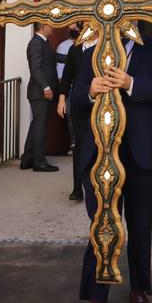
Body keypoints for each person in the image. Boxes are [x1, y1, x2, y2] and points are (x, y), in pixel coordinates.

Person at [72, 33, 152, 303]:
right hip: (100, 153)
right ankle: (97, 295)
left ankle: (139, 289)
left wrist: (131, 83)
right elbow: (76, 99)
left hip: (144, 153)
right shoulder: (91, 52)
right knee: (101, 223)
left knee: (141, 225)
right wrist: (90, 91)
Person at [58, 25, 98, 201]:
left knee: (98, 146)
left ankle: (97, 186)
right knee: (79, 146)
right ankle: (77, 189)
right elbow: (67, 77)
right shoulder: (75, 50)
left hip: (100, 104)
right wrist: (61, 99)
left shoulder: (105, 46)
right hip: (79, 104)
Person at [20, 22, 59, 172]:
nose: (53, 27)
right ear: (43, 26)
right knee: (40, 127)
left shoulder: (44, 43)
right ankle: (39, 162)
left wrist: (77, 54)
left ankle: (27, 159)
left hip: (41, 92)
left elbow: (55, 57)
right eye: (50, 24)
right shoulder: (36, 43)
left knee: (36, 125)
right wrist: (46, 86)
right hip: (40, 92)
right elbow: (35, 67)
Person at [56, 23, 81, 153]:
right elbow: (62, 73)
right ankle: (74, 143)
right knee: (71, 116)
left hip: (84, 87)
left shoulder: (86, 43)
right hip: (70, 88)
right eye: (70, 29)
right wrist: (63, 93)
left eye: (75, 28)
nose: (73, 31)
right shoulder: (63, 46)